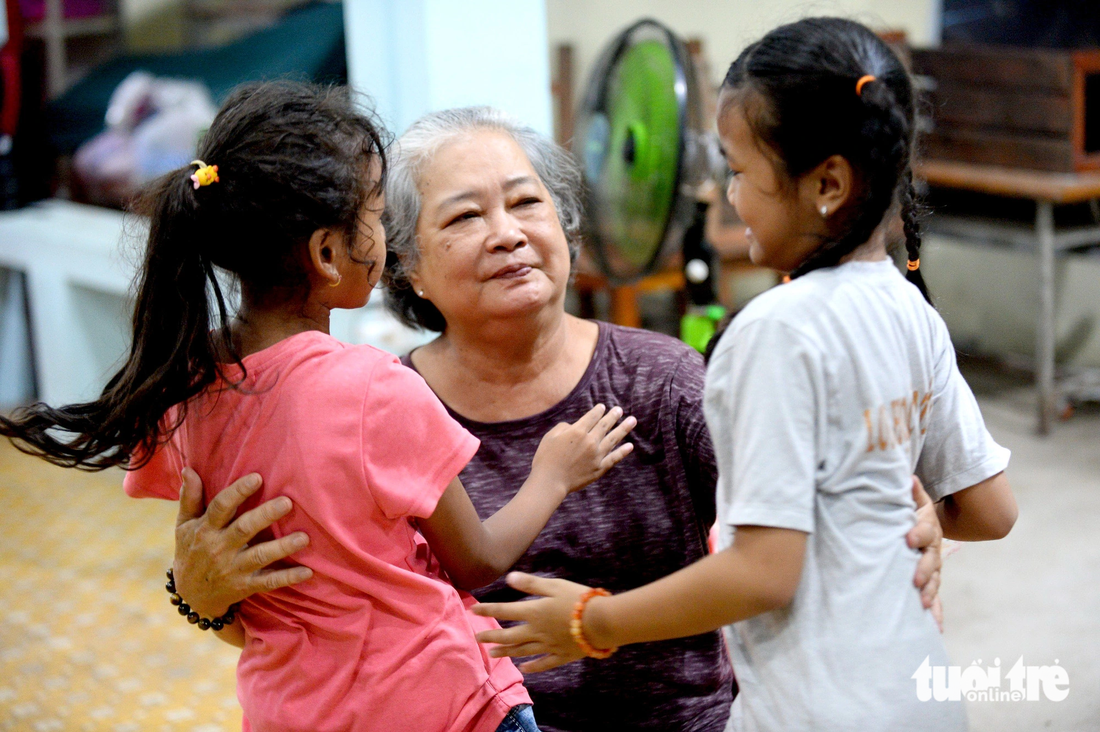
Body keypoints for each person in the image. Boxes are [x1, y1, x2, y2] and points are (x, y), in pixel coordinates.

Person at [166, 105, 947, 732]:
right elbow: (310, 616)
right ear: (405, 265)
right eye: (465, 217)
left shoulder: (665, 381)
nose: (507, 232)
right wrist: (197, 593)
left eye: (526, 202)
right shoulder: (363, 408)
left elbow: (796, 523)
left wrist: (910, 519)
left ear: (566, 228)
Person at [0, 81, 638, 732]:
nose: (387, 234)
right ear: (328, 254)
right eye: (376, 214)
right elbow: (475, 561)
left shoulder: (186, 386)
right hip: (443, 705)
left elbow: (236, 599)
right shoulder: (372, 387)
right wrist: (552, 473)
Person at [470, 18, 1018, 732]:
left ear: (828, 183)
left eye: (738, 171)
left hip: (815, 711)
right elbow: (990, 511)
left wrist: (591, 621)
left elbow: (763, 572)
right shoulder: (911, 312)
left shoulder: (776, 330)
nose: (729, 196)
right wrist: (899, 517)